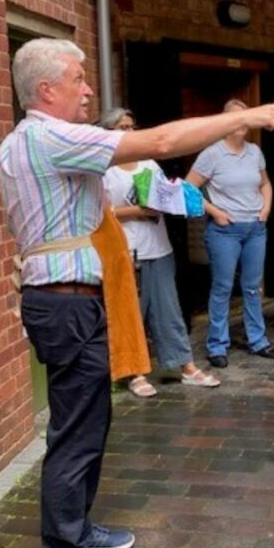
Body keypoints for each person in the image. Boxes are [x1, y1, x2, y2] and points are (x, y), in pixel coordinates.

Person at [0, 38, 274, 548]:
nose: (88, 89)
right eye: (79, 78)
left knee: (91, 419)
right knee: (74, 429)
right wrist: (246, 118)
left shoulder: (40, 140)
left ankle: (78, 531)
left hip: (73, 299)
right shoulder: (46, 135)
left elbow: (139, 173)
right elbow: (158, 141)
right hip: (62, 302)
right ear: (46, 91)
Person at [98, 108, 220, 397]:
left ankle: (185, 366)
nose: (127, 132)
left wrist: (173, 200)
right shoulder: (104, 169)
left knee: (169, 310)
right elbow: (99, 214)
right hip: (125, 250)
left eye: (131, 126)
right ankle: (134, 373)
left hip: (158, 247)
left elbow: (164, 196)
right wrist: (139, 210)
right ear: (108, 133)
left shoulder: (149, 165)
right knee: (132, 313)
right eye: (120, 128)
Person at [186, 98, 274, 368]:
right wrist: (215, 212)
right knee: (222, 287)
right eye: (235, 118)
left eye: (245, 118)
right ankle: (217, 345)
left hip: (255, 229)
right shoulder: (211, 154)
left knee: (252, 287)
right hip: (225, 231)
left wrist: (266, 209)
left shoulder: (254, 152)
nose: (241, 124)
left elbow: (265, 183)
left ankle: (258, 341)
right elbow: (188, 187)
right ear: (225, 122)